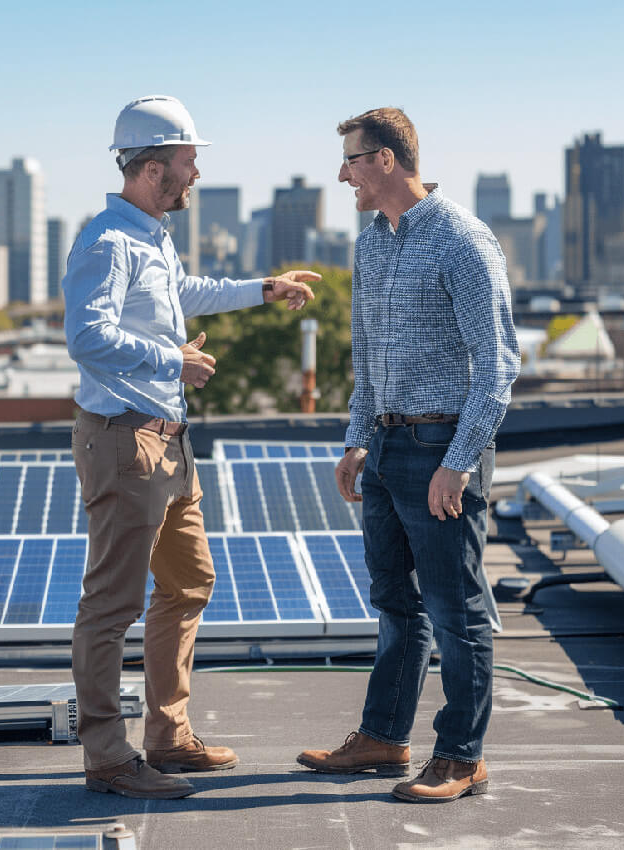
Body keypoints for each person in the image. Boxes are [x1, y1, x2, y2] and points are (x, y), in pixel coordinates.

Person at [63, 95, 320, 800]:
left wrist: (262, 290)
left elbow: (183, 294)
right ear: (152, 168)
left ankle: (167, 738)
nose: (196, 172)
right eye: (187, 161)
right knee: (111, 606)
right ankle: (109, 759)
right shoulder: (107, 242)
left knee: (189, 583)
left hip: (171, 445)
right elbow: (85, 337)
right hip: (126, 441)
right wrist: (169, 363)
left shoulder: (152, 234)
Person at [296, 108, 520, 803]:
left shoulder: (463, 241)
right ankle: (385, 739)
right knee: (395, 601)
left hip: (442, 448)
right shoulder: (371, 243)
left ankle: (460, 757)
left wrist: (458, 461)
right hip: (389, 446)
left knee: (457, 611)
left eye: (353, 161)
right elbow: (366, 355)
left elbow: (499, 364)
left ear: (388, 159)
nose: (343, 175)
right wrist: (356, 439)